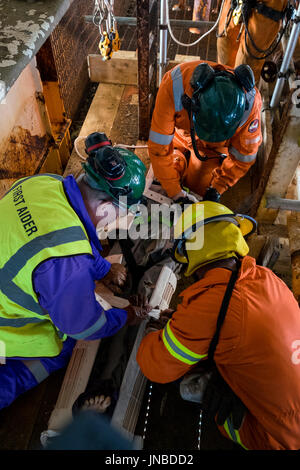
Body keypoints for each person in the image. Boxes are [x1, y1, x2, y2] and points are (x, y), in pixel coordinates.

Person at [0, 135, 151, 410]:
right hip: (5, 329)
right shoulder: (68, 268)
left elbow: (63, 233)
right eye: (121, 214)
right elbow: (83, 325)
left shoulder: (44, 183)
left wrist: (103, 268)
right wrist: (125, 316)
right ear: (106, 209)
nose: (119, 220)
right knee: (59, 347)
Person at [137, 201, 300, 450]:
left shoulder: (211, 303)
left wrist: (155, 333)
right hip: (290, 407)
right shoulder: (266, 278)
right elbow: (234, 323)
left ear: (190, 253)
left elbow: (155, 367)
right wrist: (184, 324)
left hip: (281, 439)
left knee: (189, 388)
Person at [148, 60, 262, 204]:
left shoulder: (251, 107)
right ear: (190, 103)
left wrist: (217, 187)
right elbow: (158, 149)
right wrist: (175, 192)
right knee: (172, 166)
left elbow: (244, 158)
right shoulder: (174, 85)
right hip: (181, 134)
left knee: (198, 187)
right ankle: (179, 157)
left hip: (215, 148)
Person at [217, 0, 292, 83]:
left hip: (266, 6)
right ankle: (221, 89)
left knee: (245, 67)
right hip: (234, 5)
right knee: (224, 59)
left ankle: (238, 93)